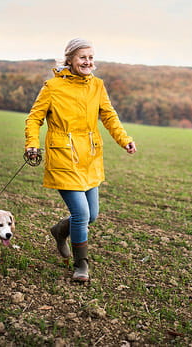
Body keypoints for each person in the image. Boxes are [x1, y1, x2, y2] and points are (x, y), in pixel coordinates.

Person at [24, 38, 137, 282]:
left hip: (90, 157)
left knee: (92, 215)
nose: (88, 62)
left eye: (91, 58)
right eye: (83, 57)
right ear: (70, 60)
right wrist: (31, 144)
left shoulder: (97, 86)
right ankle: (81, 265)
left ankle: (59, 231)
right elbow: (34, 119)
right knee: (81, 214)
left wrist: (124, 139)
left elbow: (109, 116)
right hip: (63, 156)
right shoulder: (52, 87)